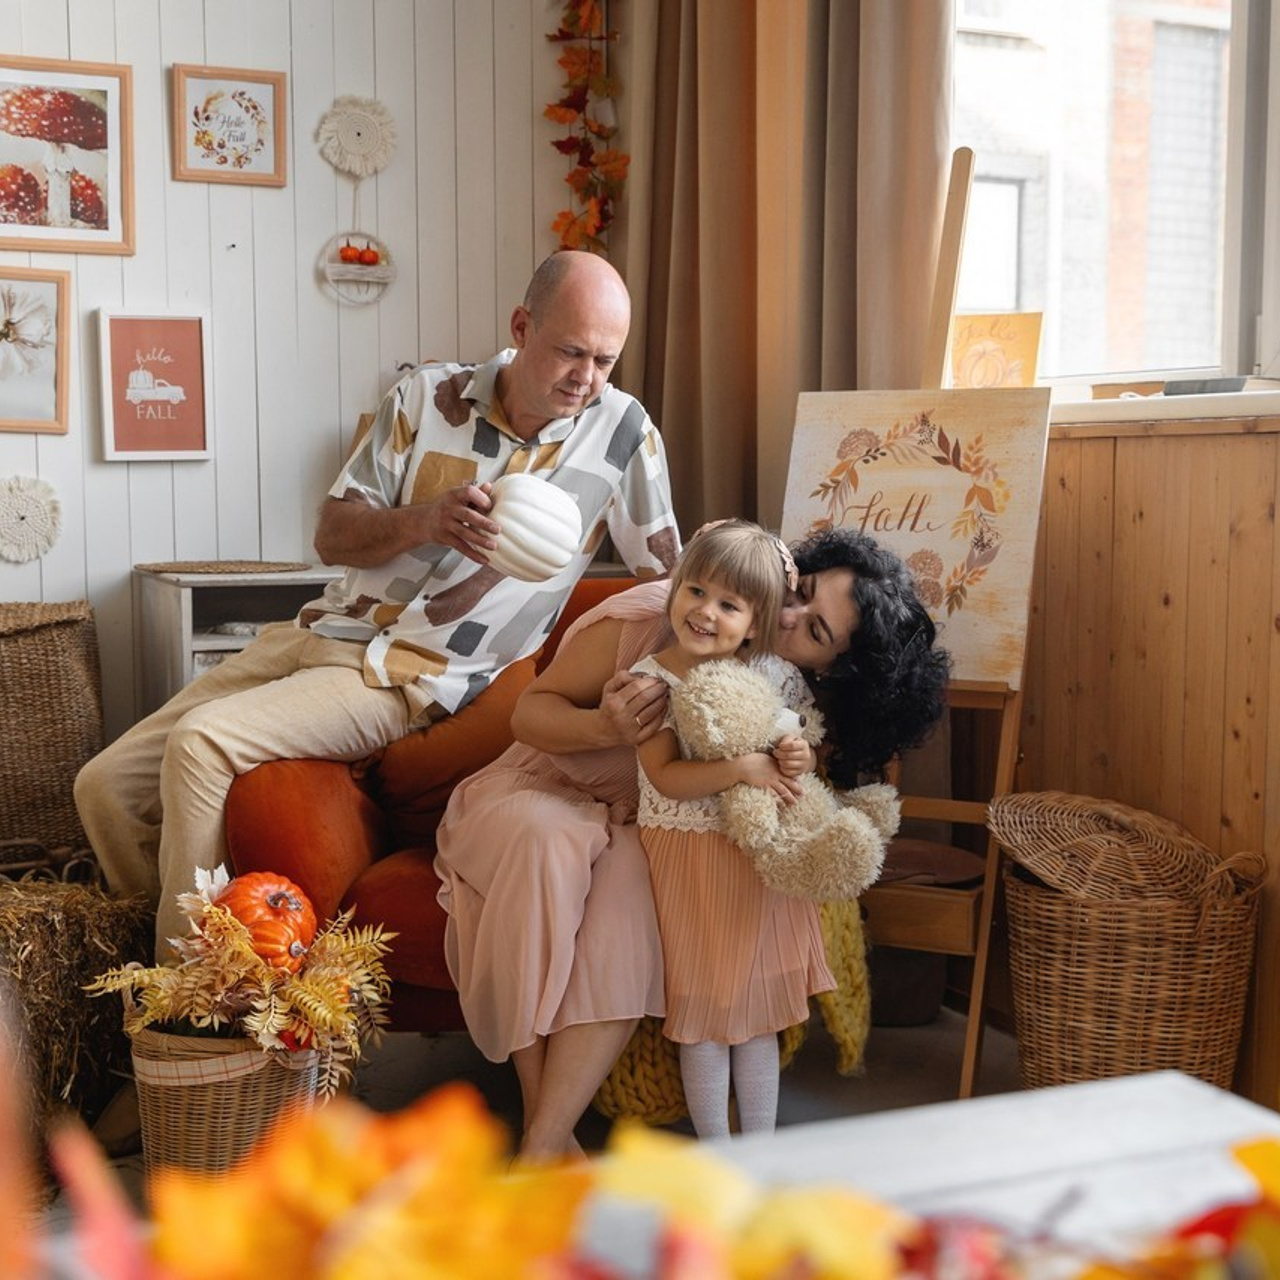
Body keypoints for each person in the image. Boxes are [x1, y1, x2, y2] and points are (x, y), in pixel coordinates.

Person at [75, 250, 680, 956]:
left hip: (405, 675)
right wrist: (425, 519)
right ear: (521, 326)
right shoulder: (426, 398)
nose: (588, 378)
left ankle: (194, 1006)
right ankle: (155, 962)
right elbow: (332, 534)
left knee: (202, 744)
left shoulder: (623, 434)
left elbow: (670, 580)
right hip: (318, 632)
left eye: (606, 360)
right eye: (571, 351)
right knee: (105, 787)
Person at [433, 525, 950, 1159]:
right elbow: (528, 715)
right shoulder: (663, 622)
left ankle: (545, 1141)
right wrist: (603, 724)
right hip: (541, 788)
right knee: (549, 844)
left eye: (815, 629)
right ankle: (551, 1141)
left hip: (633, 823)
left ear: (836, 669)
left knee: (626, 902)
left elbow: (789, 786)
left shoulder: (789, 688)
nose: (788, 613)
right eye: (804, 590)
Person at [633, 520, 836, 1139]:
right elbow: (664, 775)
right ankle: (717, 1150)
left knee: (755, 1014)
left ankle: (760, 1148)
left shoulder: (772, 677)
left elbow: (798, 745)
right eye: (695, 591)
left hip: (757, 858)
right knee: (702, 1008)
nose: (705, 612)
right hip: (687, 854)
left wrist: (797, 758)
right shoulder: (653, 679)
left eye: (728, 605)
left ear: (754, 622)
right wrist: (741, 769)